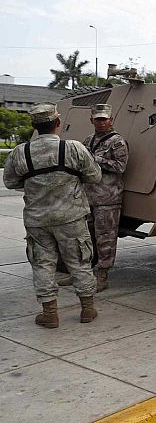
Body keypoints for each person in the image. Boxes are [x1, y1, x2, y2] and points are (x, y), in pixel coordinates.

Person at [3, 102, 102, 328]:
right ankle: (87, 309)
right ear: (58, 122)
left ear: (34, 126)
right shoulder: (74, 148)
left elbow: (10, 182)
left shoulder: (21, 152)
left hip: (37, 220)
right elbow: (95, 176)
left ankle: (50, 313)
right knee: (79, 262)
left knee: (43, 265)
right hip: (71, 217)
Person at [57, 104, 128, 292]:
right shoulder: (89, 140)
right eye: (98, 119)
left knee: (105, 239)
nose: (101, 122)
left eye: (104, 119)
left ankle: (102, 276)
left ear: (111, 120)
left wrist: (96, 159)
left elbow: (120, 166)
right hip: (88, 197)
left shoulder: (117, 142)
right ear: (92, 121)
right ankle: (81, 273)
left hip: (107, 198)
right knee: (84, 238)